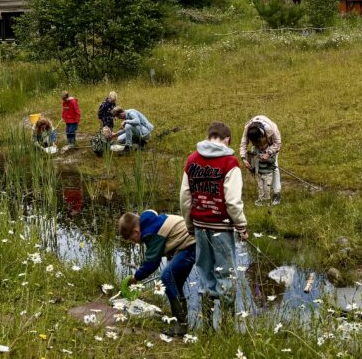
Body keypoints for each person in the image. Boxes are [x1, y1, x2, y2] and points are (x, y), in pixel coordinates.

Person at [180, 122, 247, 330]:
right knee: (226, 275)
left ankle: (207, 325)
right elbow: (232, 201)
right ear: (227, 139)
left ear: (209, 136)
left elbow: (185, 197)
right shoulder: (230, 162)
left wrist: (189, 224)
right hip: (222, 228)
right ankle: (227, 326)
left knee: (205, 273)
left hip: (200, 226)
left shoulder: (192, 160)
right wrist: (242, 225)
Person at [118, 209, 196, 335]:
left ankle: (181, 325)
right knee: (175, 283)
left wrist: (135, 277)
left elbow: (152, 263)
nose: (135, 242)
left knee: (166, 277)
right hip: (190, 243)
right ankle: (181, 323)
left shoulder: (150, 232)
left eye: (133, 239)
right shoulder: (150, 223)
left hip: (190, 245)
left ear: (136, 231)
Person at [239, 115, 282, 206]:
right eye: (254, 142)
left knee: (274, 167)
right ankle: (262, 193)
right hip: (259, 143)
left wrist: (268, 153)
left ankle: (276, 193)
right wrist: (244, 159)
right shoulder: (247, 130)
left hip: (272, 144)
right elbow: (243, 145)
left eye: (258, 142)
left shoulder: (271, 129)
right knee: (256, 165)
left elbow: (277, 143)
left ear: (263, 136)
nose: (259, 145)